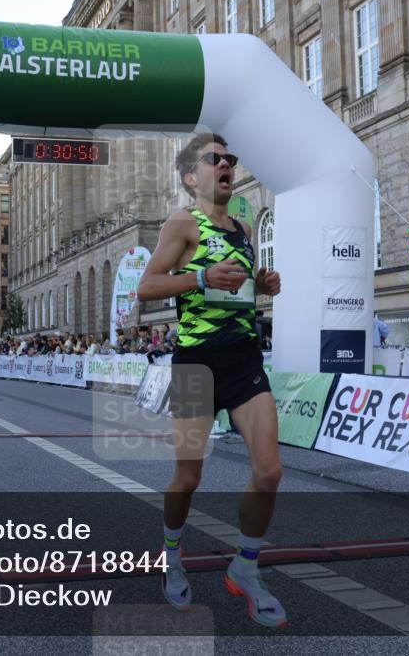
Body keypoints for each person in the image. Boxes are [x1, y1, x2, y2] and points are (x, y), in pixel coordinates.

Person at [136, 133, 286, 627]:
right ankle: (171, 555)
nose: (226, 165)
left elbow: (236, 289)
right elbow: (147, 287)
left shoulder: (243, 226)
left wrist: (259, 285)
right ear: (190, 176)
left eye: (230, 159)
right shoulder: (182, 223)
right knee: (188, 477)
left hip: (243, 360)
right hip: (196, 364)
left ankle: (245, 567)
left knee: (269, 471)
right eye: (214, 159)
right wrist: (199, 278)